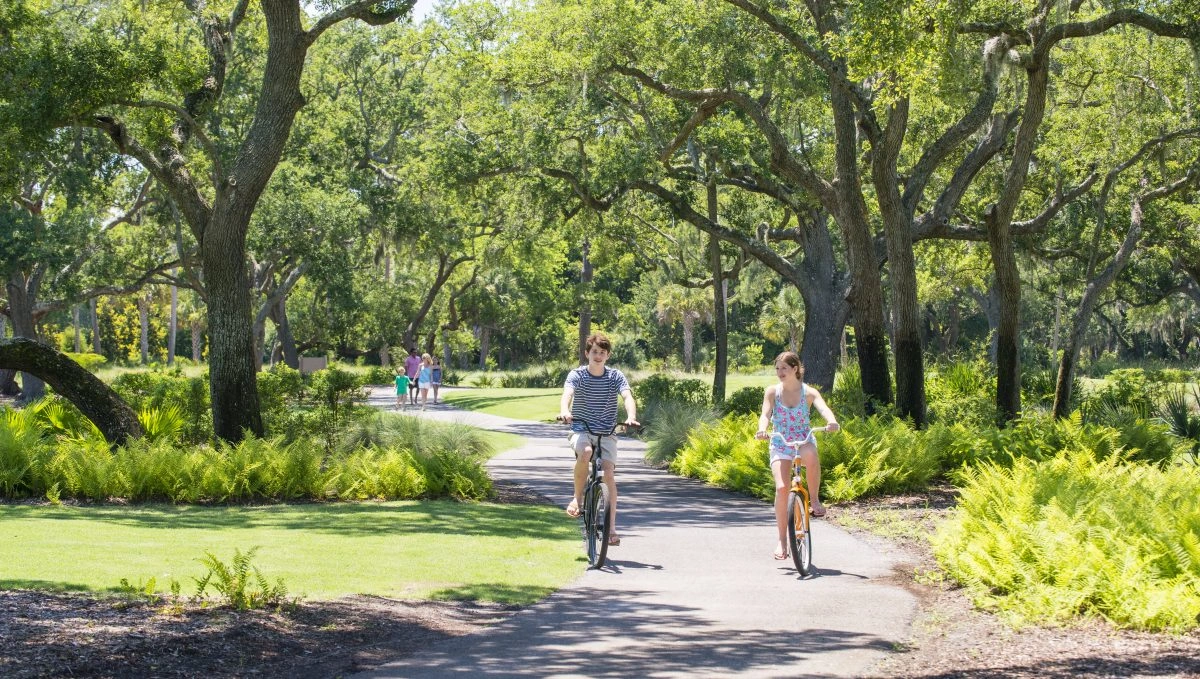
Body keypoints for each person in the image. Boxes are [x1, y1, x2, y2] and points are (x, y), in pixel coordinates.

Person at [755, 351, 839, 561]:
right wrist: (762, 429)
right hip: (780, 442)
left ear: (795, 369)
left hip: (803, 439)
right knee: (782, 488)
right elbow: (765, 414)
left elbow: (824, 409)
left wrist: (831, 421)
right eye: (777, 368)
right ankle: (782, 541)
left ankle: (815, 501)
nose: (779, 372)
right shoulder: (773, 392)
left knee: (810, 453)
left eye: (784, 368)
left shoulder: (808, 392)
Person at [558, 332, 638, 546]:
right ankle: (578, 498)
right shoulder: (577, 374)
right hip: (581, 428)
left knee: (609, 474)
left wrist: (631, 417)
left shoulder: (615, 376)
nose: (598, 356)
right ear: (587, 353)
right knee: (585, 452)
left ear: (608, 355)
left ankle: (611, 529)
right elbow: (567, 394)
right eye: (594, 352)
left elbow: (628, 396)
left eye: (602, 352)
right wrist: (565, 411)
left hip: (607, 432)